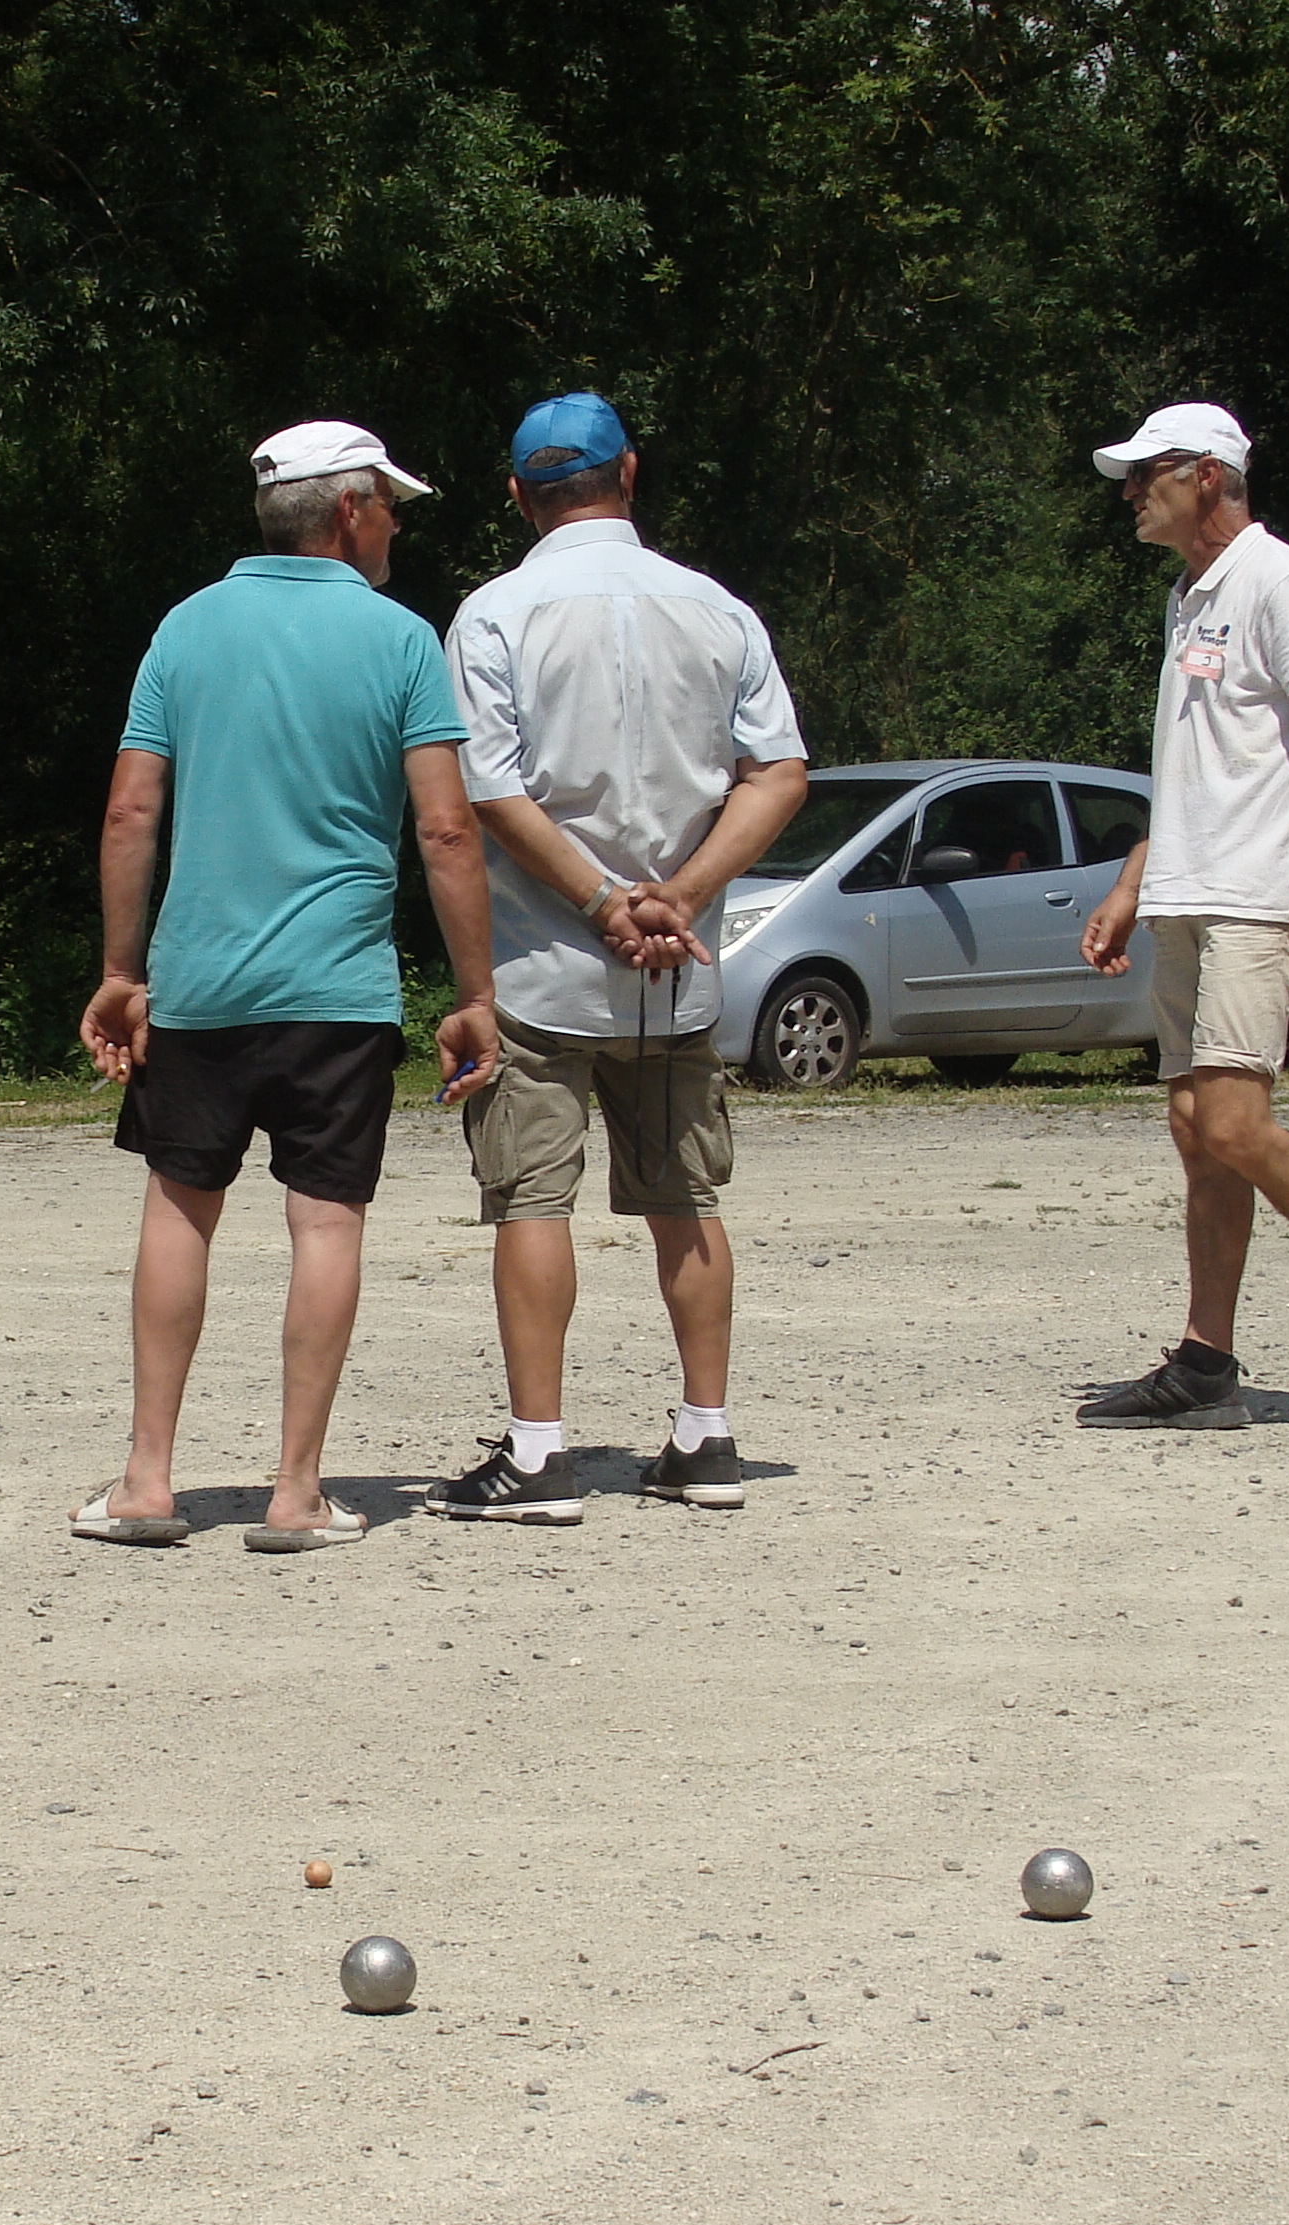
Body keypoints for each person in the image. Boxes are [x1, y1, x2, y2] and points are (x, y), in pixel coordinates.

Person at [75, 419, 503, 1552]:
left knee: (179, 1208)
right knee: (326, 1223)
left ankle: (147, 1482)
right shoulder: (401, 640)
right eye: (393, 506)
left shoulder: (185, 628)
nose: (399, 525)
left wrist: (125, 971)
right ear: (350, 513)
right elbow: (448, 831)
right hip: (338, 994)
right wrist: (474, 993)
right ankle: (295, 1492)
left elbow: (130, 808)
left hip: (202, 986)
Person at [423, 392, 808, 1523]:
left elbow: (488, 789)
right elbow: (779, 771)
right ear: (629, 473)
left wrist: (598, 901)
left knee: (531, 1200)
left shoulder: (493, 616)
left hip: (546, 965)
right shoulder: (720, 610)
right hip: (677, 967)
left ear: (516, 495)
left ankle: (539, 1459)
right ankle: (707, 1437)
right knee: (685, 1195)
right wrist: (677, 895)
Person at [1074, 402, 1289, 1429]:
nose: (1133, 492)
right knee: (1198, 1131)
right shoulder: (1193, 596)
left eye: (1148, 474)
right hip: (1192, 892)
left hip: (1254, 896)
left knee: (1235, 1121)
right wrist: (1135, 881)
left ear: (1208, 476)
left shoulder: (1279, 578)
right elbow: (1198, 769)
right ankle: (1206, 1361)